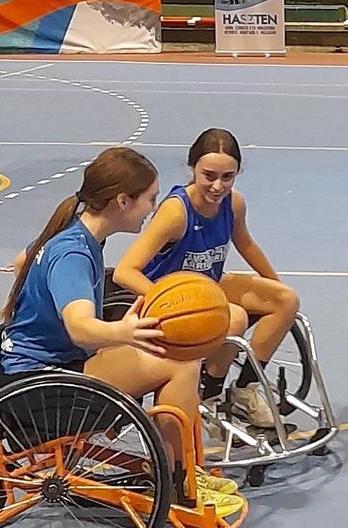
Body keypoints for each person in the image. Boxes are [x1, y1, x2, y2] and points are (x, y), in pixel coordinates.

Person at [0, 147, 243, 515]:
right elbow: (80, 329)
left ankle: (181, 468)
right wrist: (125, 332)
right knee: (181, 363)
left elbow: (22, 260)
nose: (153, 208)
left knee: (177, 354)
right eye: (150, 199)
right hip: (44, 385)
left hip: (43, 365)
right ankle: (178, 481)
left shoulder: (77, 234)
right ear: (123, 201)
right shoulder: (74, 253)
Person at [115, 129, 299, 429]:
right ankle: (209, 396)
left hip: (208, 285)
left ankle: (244, 390)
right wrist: (167, 299)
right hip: (171, 297)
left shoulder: (233, 203)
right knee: (234, 317)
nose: (218, 185)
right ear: (192, 169)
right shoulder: (176, 212)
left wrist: (274, 283)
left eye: (227, 177)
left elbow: (246, 243)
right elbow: (125, 271)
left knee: (286, 300)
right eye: (209, 175)